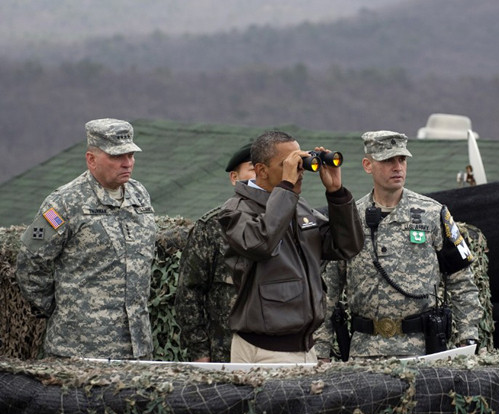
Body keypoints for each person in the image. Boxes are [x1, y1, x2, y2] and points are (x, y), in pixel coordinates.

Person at [317, 131, 482, 361]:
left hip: (423, 351)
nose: (398, 167)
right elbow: (329, 290)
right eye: (388, 160)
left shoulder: (433, 213)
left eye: (402, 160)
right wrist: (321, 350)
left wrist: (468, 339)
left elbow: (462, 281)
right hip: (365, 352)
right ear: (368, 165)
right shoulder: (349, 218)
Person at [217, 130, 364, 364]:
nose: (298, 170)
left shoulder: (298, 206)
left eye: (299, 161)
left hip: (305, 347)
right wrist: (286, 187)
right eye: (289, 164)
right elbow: (260, 243)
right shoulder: (236, 210)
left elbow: (347, 246)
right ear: (261, 171)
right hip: (263, 350)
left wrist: (336, 193)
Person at [16, 118, 157, 359]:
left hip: (137, 347)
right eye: (117, 157)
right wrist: (65, 310)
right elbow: (30, 263)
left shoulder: (139, 195)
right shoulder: (63, 203)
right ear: (91, 159)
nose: (127, 163)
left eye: (131, 155)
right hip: (79, 349)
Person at [174, 143, 256, 363]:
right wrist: (199, 351)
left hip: (275, 351)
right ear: (234, 178)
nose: (260, 175)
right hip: (224, 354)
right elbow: (189, 292)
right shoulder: (212, 227)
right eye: (253, 168)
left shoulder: (286, 221)